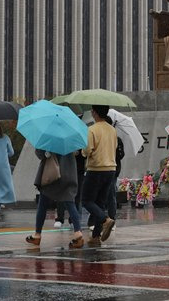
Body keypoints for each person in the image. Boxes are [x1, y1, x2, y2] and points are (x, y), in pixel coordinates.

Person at [26, 150, 84, 249]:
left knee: (43, 203)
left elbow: (40, 153)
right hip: (69, 173)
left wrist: (46, 153)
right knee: (70, 203)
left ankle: (37, 234)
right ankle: (78, 232)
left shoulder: (50, 136)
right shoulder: (71, 137)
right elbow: (78, 152)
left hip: (53, 173)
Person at [81, 105, 118, 245]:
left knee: (86, 200)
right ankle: (95, 236)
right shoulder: (112, 129)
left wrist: (83, 152)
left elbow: (87, 150)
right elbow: (113, 147)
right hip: (111, 169)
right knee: (100, 203)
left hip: (96, 169)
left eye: (92, 111)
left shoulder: (92, 130)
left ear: (95, 113)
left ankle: (105, 220)